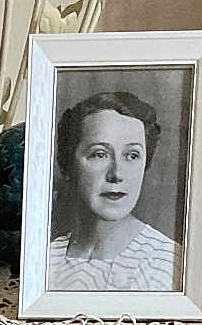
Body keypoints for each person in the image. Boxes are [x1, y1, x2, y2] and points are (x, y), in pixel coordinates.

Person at [46, 90, 179, 293]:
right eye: (99, 154)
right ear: (66, 165)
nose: (116, 174)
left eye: (132, 155)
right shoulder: (47, 258)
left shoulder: (167, 263)